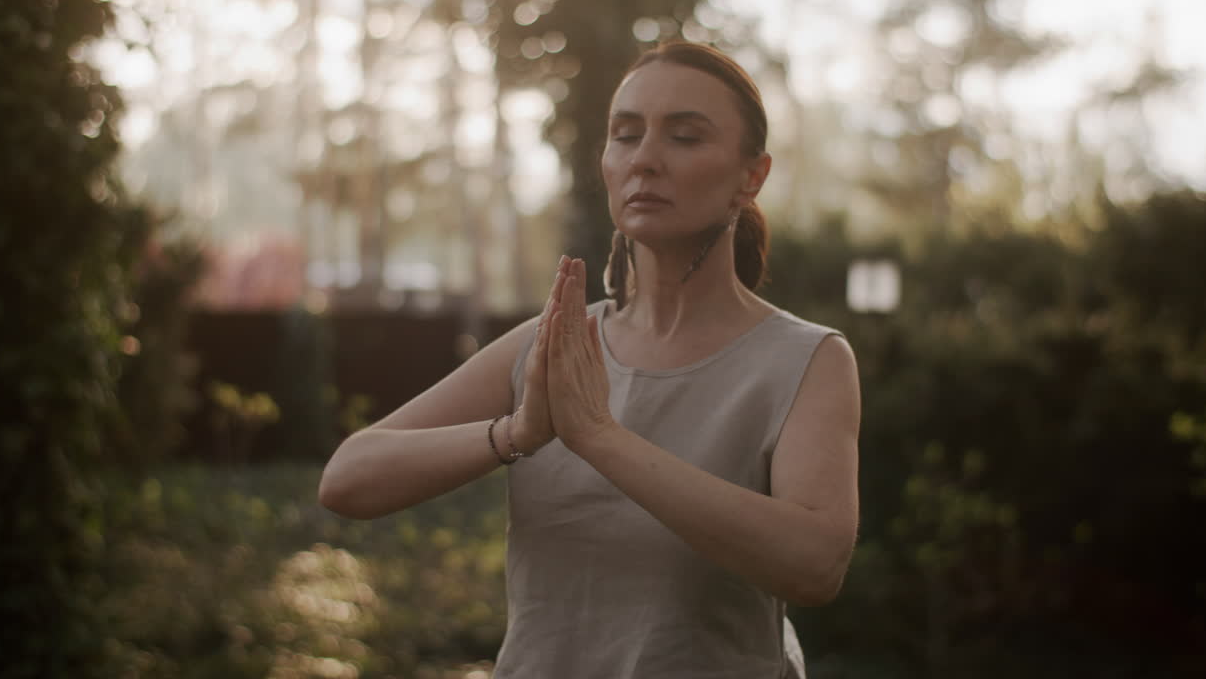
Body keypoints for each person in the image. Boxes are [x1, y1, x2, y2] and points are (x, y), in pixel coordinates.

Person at [319, 41, 860, 678]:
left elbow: (816, 564)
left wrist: (599, 437)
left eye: (685, 136)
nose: (645, 159)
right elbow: (346, 479)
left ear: (752, 176)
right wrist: (517, 433)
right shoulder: (550, 347)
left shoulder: (807, 360)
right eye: (625, 135)